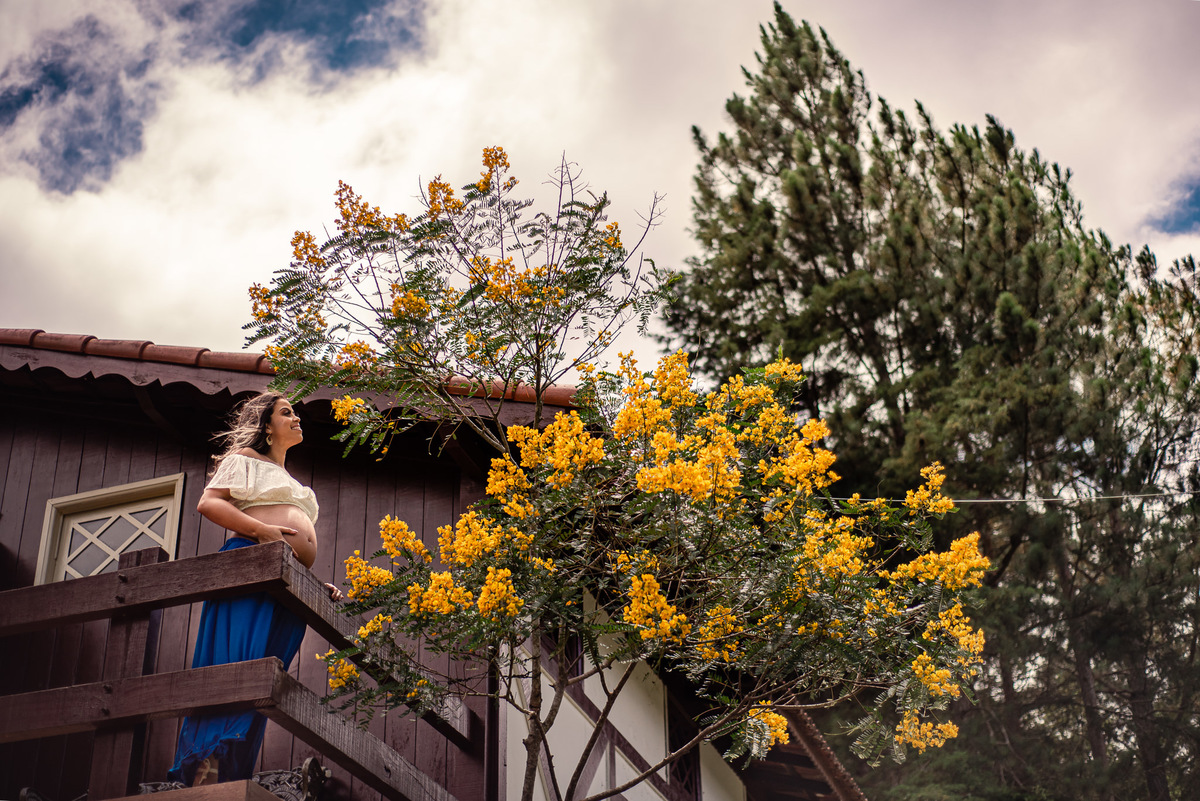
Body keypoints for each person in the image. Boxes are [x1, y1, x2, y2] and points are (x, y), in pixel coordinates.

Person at [168, 392, 343, 786]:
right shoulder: (245, 458)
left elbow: (294, 539)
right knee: (235, 664)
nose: (297, 418)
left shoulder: (294, 483)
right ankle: (203, 770)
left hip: (288, 584)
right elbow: (209, 503)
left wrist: (313, 584)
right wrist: (262, 531)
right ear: (266, 425)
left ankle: (231, 776)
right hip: (250, 566)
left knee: (265, 675)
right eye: (287, 413)